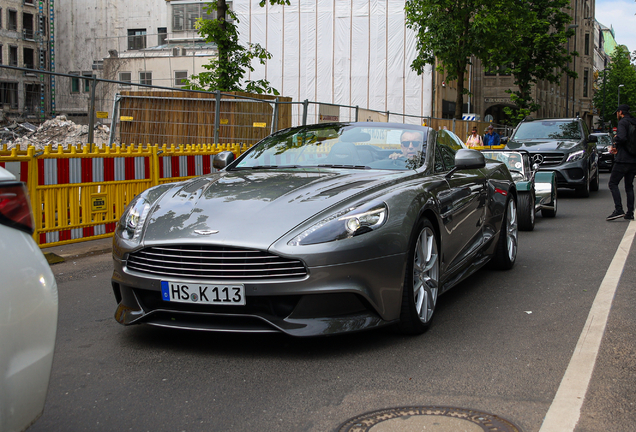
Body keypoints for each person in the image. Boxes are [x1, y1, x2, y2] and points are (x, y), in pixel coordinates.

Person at [607, 104, 636, 221]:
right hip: (634, 160)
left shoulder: (623, 123)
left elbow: (622, 138)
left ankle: (619, 209)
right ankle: (630, 213)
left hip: (623, 160)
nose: (617, 115)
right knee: (629, 186)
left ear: (620, 112)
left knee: (613, 183)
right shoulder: (634, 122)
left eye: (617, 113)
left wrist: (615, 139)